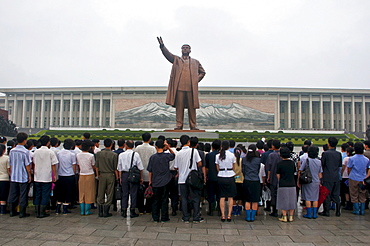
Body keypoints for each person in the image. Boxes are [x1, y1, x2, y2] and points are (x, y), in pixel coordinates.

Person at [157, 37, 206, 130]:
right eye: (183, 48)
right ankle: (179, 125)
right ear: (181, 50)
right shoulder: (176, 60)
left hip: (191, 88)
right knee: (179, 108)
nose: (185, 49)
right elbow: (168, 55)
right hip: (179, 88)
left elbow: (203, 72)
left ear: (190, 50)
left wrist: (196, 80)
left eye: (187, 48)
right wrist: (162, 46)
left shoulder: (195, 62)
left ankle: (193, 125)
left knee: (192, 108)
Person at [174, 135, 203, 223]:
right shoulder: (194, 151)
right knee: (195, 198)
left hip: (182, 179)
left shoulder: (178, 153)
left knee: (184, 198)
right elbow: (200, 163)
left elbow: (176, 167)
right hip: (193, 179)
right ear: (188, 142)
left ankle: (185, 217)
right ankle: (196, 217)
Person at [147, 139, 175, 223]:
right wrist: (168, 147)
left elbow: (150, 171)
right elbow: (173, 155)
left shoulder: (153, 157)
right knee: (164, 200)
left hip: (155, 181)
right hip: (165, 181)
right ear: (164, 147)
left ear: (155, 147)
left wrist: (150, 181)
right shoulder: (166, 156)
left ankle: (155, 217)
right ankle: (164, 217)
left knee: (155, 200)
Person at [32, 135, 58, 218]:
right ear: (48, 142)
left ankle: (37, 211)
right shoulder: (50, 152)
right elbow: (53, 165)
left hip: (37, 176)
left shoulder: (36, 151)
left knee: (37, 194)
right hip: (46, 176)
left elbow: (34, 163)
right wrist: (55, 175)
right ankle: (42, 212)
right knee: (45, 195)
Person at [7, 132, 32, 218]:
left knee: (13, 194)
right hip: (23, 176)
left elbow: (10, 164)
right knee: (23, 194)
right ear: (25, 141)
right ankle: (22, 212)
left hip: (14, 176)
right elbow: (27, 165)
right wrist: (29, 175)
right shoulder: (25, 152)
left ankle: (12, 211)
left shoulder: (12, 151)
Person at [117, 140, 144, 219]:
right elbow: (140, 167)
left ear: (126, 145)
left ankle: (124, 210)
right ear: (133, 146)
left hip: (124, 174)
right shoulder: (136, 154)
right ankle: (132, 210)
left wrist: (120, 177)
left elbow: (119, 168)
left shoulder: (121, 155)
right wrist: (141, 178)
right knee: (133, 193)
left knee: (124, 193)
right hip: (133, 175)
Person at [319, 137, 342, 217]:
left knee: (327, 194)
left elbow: (322, 165)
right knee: (336, 194)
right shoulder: (338, 154)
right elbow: (339, 165)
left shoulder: (325, 153)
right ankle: (338, 211)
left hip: (327, 176)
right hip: (336, 176)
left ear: (328, 144)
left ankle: (326, 211)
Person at [95, 138, 118, 217]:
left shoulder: (99, 154)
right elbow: (115, 168)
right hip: (110, 175)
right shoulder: (114, 155)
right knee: (110, 193)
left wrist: (97, 175)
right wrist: (117, 177)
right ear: (111, 145)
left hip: (101, 174)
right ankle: (106, 211)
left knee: (100, 192)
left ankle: (100, 211)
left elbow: (97, 166)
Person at [135, 132, 156, 214]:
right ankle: (148, 209)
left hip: (140, 173)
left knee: (140, 192)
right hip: (149, 173)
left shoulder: (137, 148)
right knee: (150, 191)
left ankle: (140, 209)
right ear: (149, 139)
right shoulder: (153, 149)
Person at [299, 146, 322, 219]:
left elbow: (301, 170)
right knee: (315, 198)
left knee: (308, 198)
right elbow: (320, 173)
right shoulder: (319, 161)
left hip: (308, 181)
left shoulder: (306, 161)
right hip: (316, 181)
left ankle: (309, 214)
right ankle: (314, 214)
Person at [216, 140, 236, 222]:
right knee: (230, 197)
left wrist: (221, 172)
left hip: (221, 175)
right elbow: (234, 166)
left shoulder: (218, 155)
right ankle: (229, 215)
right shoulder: (232, 155)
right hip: (230, 175)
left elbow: (217, 167)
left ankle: (223, 215)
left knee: (222, 197)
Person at [347, 142, 370, 215]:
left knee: (354, 194)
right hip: (363, 178)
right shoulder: (366, 159)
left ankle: (356, 210)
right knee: (362, 194)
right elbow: (367, 168)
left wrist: (349, 175)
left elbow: (349, 168)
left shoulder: (352, 158)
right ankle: (362, 210)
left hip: (353, 177)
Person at [55, 139, 77, 215]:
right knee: (68, 192)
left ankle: (58, 208)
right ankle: (65, 208)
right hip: (69, 175)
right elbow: (74, 165)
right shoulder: (72, 154)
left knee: (60, 191)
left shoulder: (59, 153)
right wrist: (74, 174)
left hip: (61, 174)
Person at [276, 147, 297, 222]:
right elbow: (294, 172)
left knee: (283, 200)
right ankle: (291, 216)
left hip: (283, 184)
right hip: (292, 183)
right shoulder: (292, 163)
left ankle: (284, 216)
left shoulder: (279, 163)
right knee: (292, 200)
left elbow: (278, 175)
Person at [242, 144, 261, 222]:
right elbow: (258, 170)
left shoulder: (244, 159)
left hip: (247, 180)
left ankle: (248, 216)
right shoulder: (258, 160)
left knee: (247, 200)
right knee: (255, 200)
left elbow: (243, 170)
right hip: (255, 181)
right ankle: (252, 217)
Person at [77, 140, 96, 216]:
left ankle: (82, 210)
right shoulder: (91, 156)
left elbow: (78, 165)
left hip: (81, 174)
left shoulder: (78, 155)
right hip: (90, 174)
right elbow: (93, 165)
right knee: (89, 192)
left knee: (82, 192)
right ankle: (87, 210)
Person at [265, 140, 282, 217]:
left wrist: (268, 177)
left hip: (272, 177)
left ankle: (274, 210)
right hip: (281, 178)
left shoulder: (271, 155)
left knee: (273, 194)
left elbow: (269, 168)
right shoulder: (282, 154)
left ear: (273, 146)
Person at [205, 139, 221, 216]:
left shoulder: (209, 155)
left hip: (211, 177)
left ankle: (211, 210)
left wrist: (205, 176)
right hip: (220, 177)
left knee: (210, 194)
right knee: (219, 194)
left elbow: (206, 167)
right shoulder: (221, 155)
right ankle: (219, 210)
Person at [232, 147, 244, 216]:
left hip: (234, 180)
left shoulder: (233, 160)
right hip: (241, 180)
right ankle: (239, 211)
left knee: (233, 197)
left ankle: (234, 211)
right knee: (240, 197)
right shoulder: (242, 160)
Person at [0, 144, 10, 214]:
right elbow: (8, 170)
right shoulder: (6, 158)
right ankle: (3, 209)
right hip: (4, 178)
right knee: (3, 195)